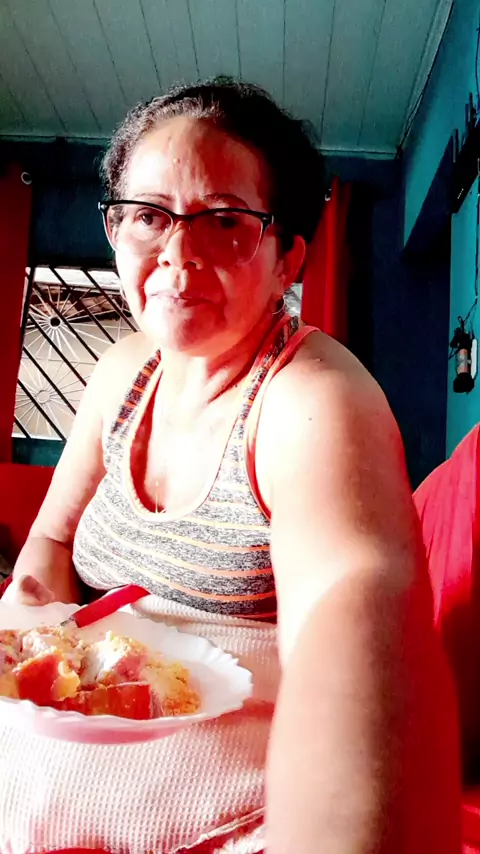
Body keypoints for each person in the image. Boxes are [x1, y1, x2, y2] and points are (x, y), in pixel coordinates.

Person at [4, 81, 460, 853]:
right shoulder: (120, 371)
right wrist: (32, 618)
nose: (178, 253)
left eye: (224, 221)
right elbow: (50, 540)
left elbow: (352, 609)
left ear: (287, 260)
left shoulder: (313, 398)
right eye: (149, 215)